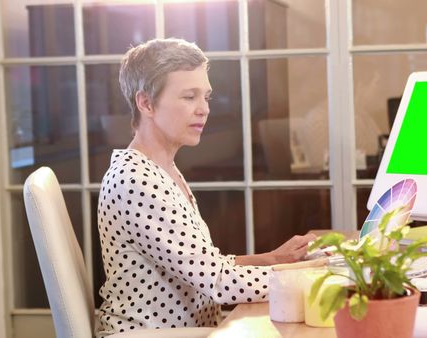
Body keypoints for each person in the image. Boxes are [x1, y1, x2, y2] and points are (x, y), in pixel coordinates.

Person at [96, 38, 316, 336]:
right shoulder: (135, 180)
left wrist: (275, 260)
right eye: (189, 97)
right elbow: (217, 282)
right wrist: (313, 277)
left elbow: (205, 264)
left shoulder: (163, 169)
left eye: (206, 97)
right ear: (146, 103)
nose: (204, 110)